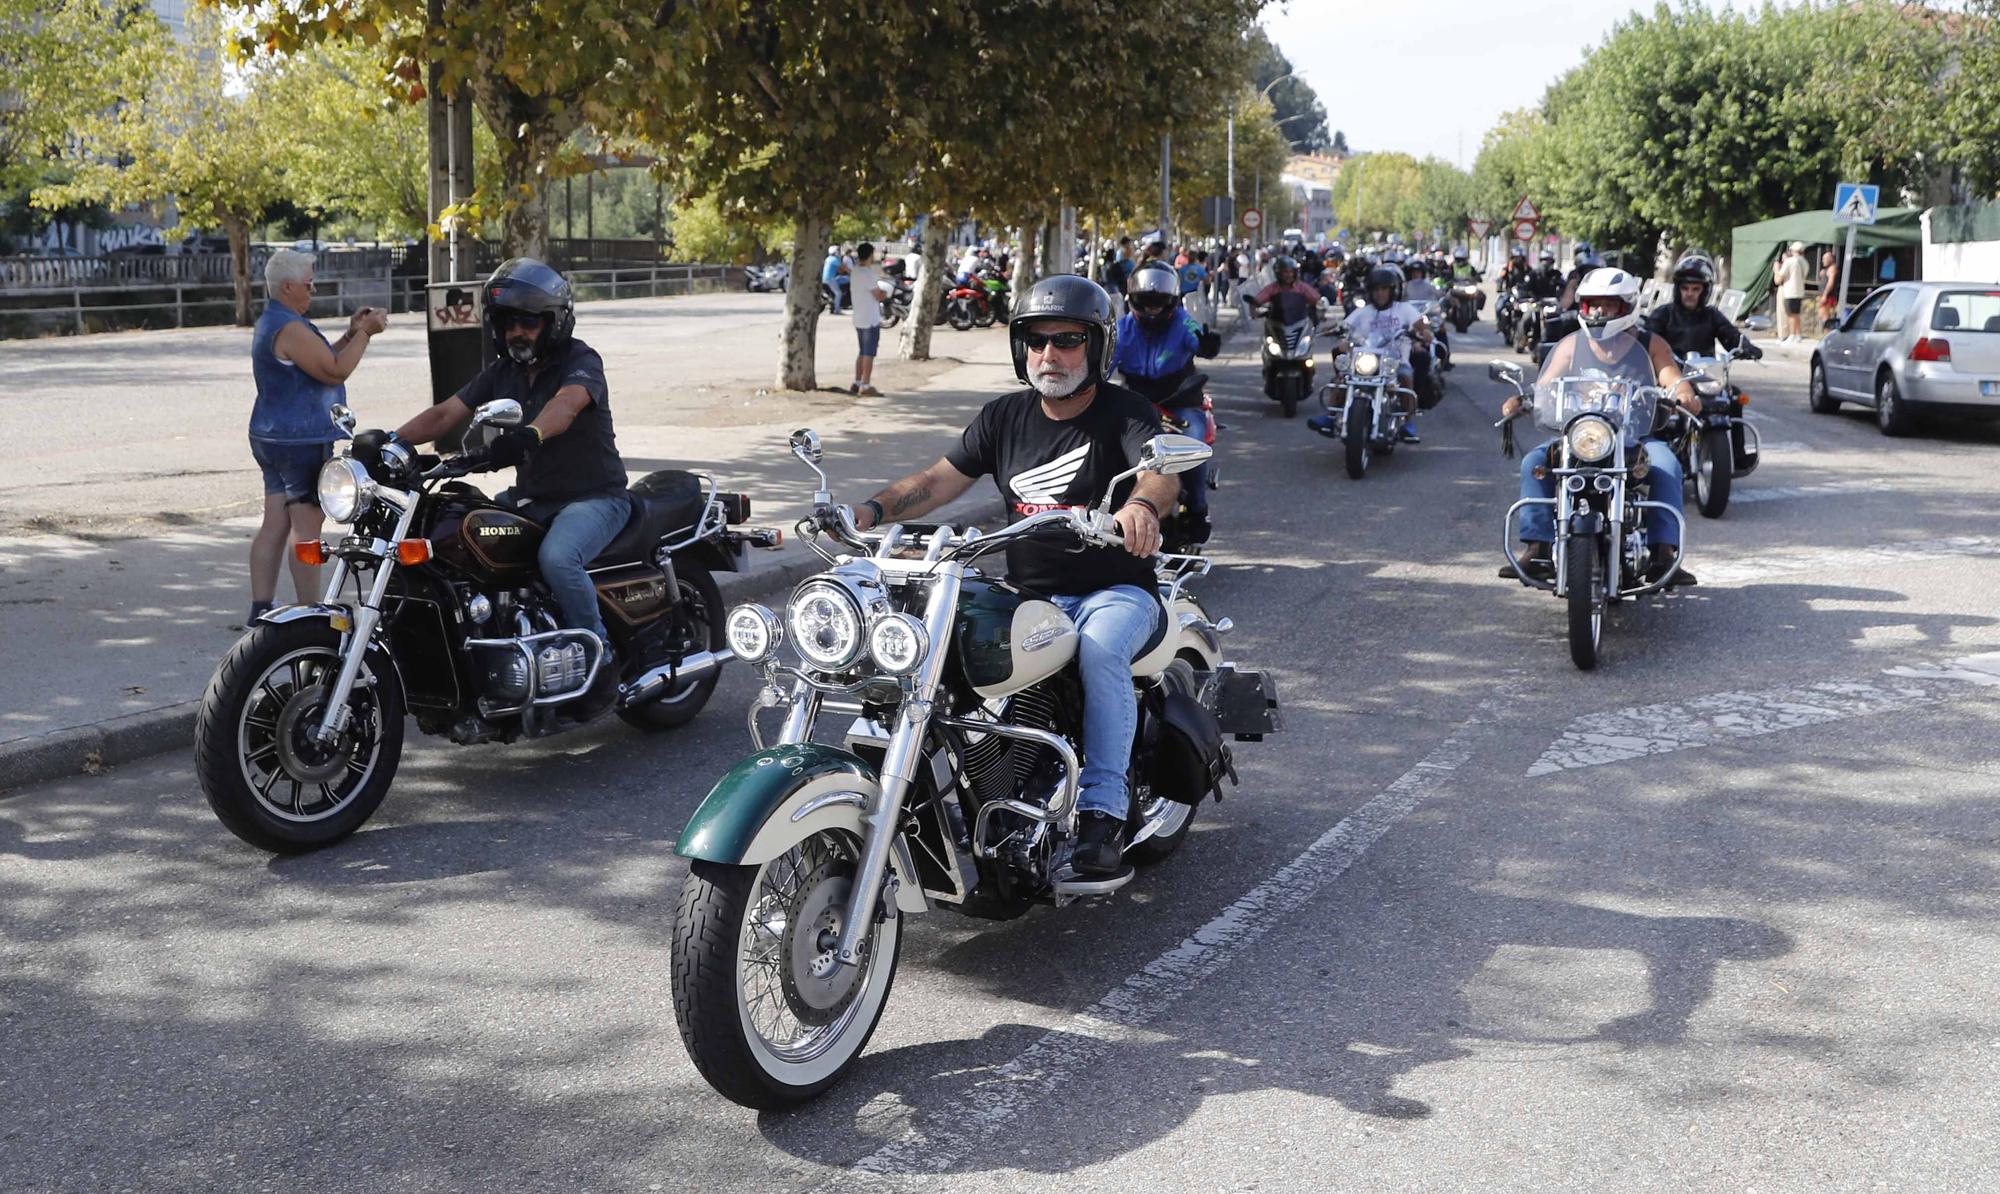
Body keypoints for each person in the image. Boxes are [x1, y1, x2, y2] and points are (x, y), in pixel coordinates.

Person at [847, 275, 1181, 876]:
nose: (1049, 354)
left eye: (1068, 340)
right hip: (1032, 598)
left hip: (1116, 592)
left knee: (1101, 650)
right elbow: (934, 482)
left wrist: (1141, 507)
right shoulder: (1003, 416)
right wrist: (866, 512)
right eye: (1036, 339)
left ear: (1097, 346)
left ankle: (1104, 811)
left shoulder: (1124, 413)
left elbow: (1159, 471)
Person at [372, 259, 629, 690]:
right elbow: (446, 413)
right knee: (455, 536)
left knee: (557, 559)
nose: (517, 331)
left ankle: (597, 657)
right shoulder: (503, 371)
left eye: (528, 322)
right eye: (509, 321)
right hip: (532, 499)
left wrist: (530, 434)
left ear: (554, 322)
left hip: (594, 498)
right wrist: (391, 444)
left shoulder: (580, 359)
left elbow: (566, 404)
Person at [1501, 267, 1701, 585]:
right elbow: (1546, 385)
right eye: (1593, 304)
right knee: (1534, 463)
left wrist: (1684, 394)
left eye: (1608, 305)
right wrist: (1524, 400)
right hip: (1581, 435)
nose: (1599, 311)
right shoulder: (1572, 344)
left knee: (1666, 465)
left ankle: (1663, 554)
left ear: (1626, 307)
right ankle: (1538, 548)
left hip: (1636, 438)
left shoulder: (1651, 344)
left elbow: (1672, 379)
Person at [247, 248, 384, 623]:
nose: (313, 291)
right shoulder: (290, 327)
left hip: (270, 436)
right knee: (307, 528)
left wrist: (351, 333)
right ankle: (310, 611)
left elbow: (320, 358)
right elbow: (335, 370)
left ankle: (262, 605)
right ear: (288, 286)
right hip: (299, 440)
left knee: (275, 522)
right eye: (309, 285)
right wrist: (366, 335)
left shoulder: (275, 321)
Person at [1115, 262, 1214, 543]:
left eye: (1159, 303)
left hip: (1180, 400)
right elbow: (1104, 364)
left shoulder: (1183, 321)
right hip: (1136, 403)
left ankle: (1198, 508)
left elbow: (1197, 337)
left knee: (1193, 447)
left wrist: (1207, 344)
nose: (1152, 309)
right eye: (1146, 303)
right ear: (1133, 300)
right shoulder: (1123, 328)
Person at [1310, 265, 1433, 443]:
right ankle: (1330, 417)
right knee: (1343, 378)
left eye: (1384, 289)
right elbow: (1345, 327)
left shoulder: (1404, 309)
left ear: (1393, 291)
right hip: (1365, 360)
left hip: (1394, 361)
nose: (1380, 294)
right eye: (1376, 290)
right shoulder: (1363, 312)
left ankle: (1408, 423)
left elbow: (1422, 325)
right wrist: (1339, 336)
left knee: (1405, 378)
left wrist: (1425, 333)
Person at [1643, 253, 1764, 361]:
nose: (1689, 293)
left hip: (1705, 375)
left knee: (1730, 387)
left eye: (1696, 289)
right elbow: (1647, 338)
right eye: (1685, 288)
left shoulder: (1712, 315)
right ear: (1677, 289)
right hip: (1670, 375)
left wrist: (1747, 348)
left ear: (1705, 291)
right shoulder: (1663, 313)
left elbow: (1731, 336)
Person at [849, 242, 884, 397]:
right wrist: (885, 295)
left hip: (858, 316)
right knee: (869, 353)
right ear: (870, 255)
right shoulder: (868, 274)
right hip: (870, 318)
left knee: (862, 352)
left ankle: (857, 381)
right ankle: (866, 384)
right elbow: (877, 294)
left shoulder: (855, 272)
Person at [1774, 241, 1808, 342]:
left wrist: (1776, 269)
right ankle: (1798, 335)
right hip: (1799, 290)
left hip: (1790, 291)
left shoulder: (1790, 261)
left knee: (1790, 314)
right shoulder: (1804, 262)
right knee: (1796, 314)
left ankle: (1792, 335)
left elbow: (1779, 278)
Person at [822, 243, 850, 313]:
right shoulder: (834, 259)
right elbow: (844, 268)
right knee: (838, 293)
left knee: (844, 279)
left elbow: (839, 270)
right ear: (835, 252)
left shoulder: (828, 258)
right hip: (830, 279)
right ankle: (837, 310)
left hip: (827, 278)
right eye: (838, 251)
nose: (839, 252)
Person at [1817, 248, 1840, 330]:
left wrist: (1825, 295)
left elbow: (1830, 283)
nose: (1823, 261)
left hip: (1828, 296)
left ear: (1831, 259)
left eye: (1825, 259)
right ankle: (1827, 332)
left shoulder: (1832, 269)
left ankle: (1829, 333)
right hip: (1824, 295)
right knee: (1822, 315)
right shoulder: (1827, 270)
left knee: (1825, 316)